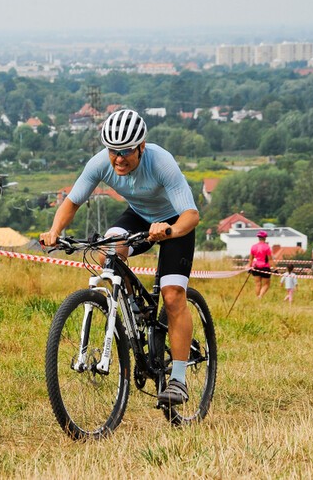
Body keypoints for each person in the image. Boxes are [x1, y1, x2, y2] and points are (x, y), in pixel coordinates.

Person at [39, 108, 199, 406]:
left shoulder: (161, 162)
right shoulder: (101, 163)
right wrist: (54, 230)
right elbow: (72, 201)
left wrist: (170, 230)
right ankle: (135, 309)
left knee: (173, 295)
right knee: (108, 250)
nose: (119, 158)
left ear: (141, 147)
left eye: (126, 151)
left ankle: (178, 379)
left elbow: (192, 215)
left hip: (175, 224)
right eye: (114, 151)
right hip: (138, 217)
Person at [248, 230, 273, 298]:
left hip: (255, 267)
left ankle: (257, 298)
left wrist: (249, 267)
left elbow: (251, 259)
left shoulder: (253, 247)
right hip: (265, 267)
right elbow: (270, 259)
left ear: (258, 238)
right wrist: (275, 268)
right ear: (265, 238)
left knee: (257, 284)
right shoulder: (267, 247)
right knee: (266, 284)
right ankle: (260, 296)